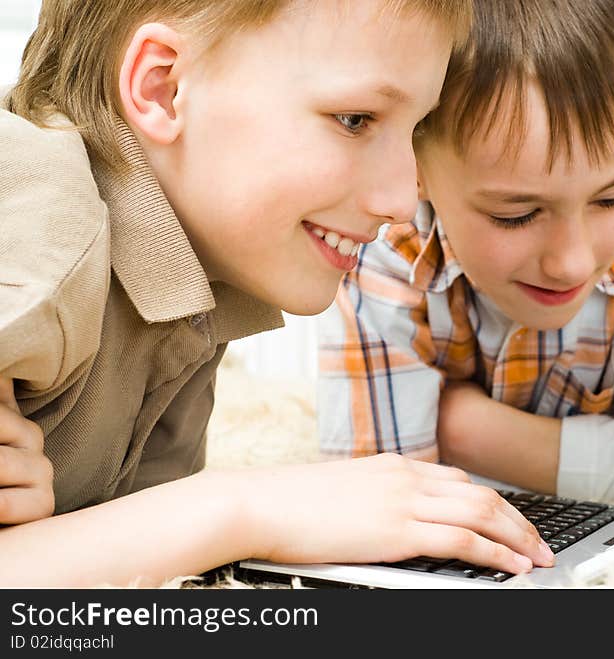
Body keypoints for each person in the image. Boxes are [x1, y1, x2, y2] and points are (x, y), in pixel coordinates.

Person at [0, 0, 554, 587]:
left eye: (416, 130)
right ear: (163, 89)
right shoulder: (40, 220)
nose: (400, 199)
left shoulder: (191, 271)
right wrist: (248, 506)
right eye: (355, 119)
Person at [317, 0, 614, 511]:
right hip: (612, 390)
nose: (571, 264)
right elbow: (383, 501)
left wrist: (463, 430)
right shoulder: (377, 245)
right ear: (413, 169)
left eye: (612, 197)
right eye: (516, 215)